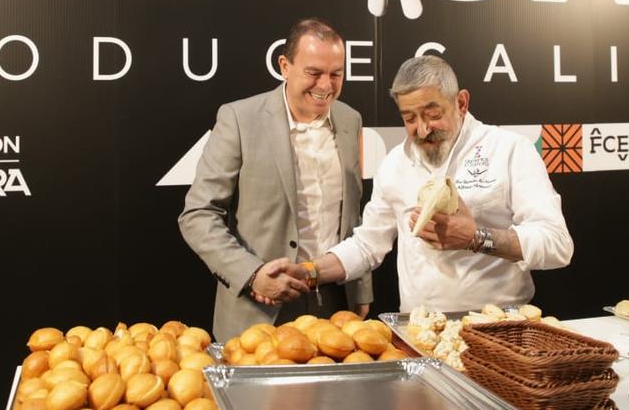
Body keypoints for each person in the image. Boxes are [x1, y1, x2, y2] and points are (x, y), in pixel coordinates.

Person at [278, 54, 574, 312]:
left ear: (461, 102)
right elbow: (367, 244)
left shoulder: (509, 149)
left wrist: (475, 237)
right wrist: (310, 272)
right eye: (409, 118)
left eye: (433, 114)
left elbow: (557, 245)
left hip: (500, 329)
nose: (422, 129)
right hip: (419, 332)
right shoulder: (395, 163)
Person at [178, 18, 372, 341]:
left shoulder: (350, 120)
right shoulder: (239, 119)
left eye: (336, 74)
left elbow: (354, 215)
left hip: (337, 305)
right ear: (285, 66)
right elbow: (198, 215)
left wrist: (361, 287)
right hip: (260, 310)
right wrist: (252, 275)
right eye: (314, 73)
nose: (326, 86)